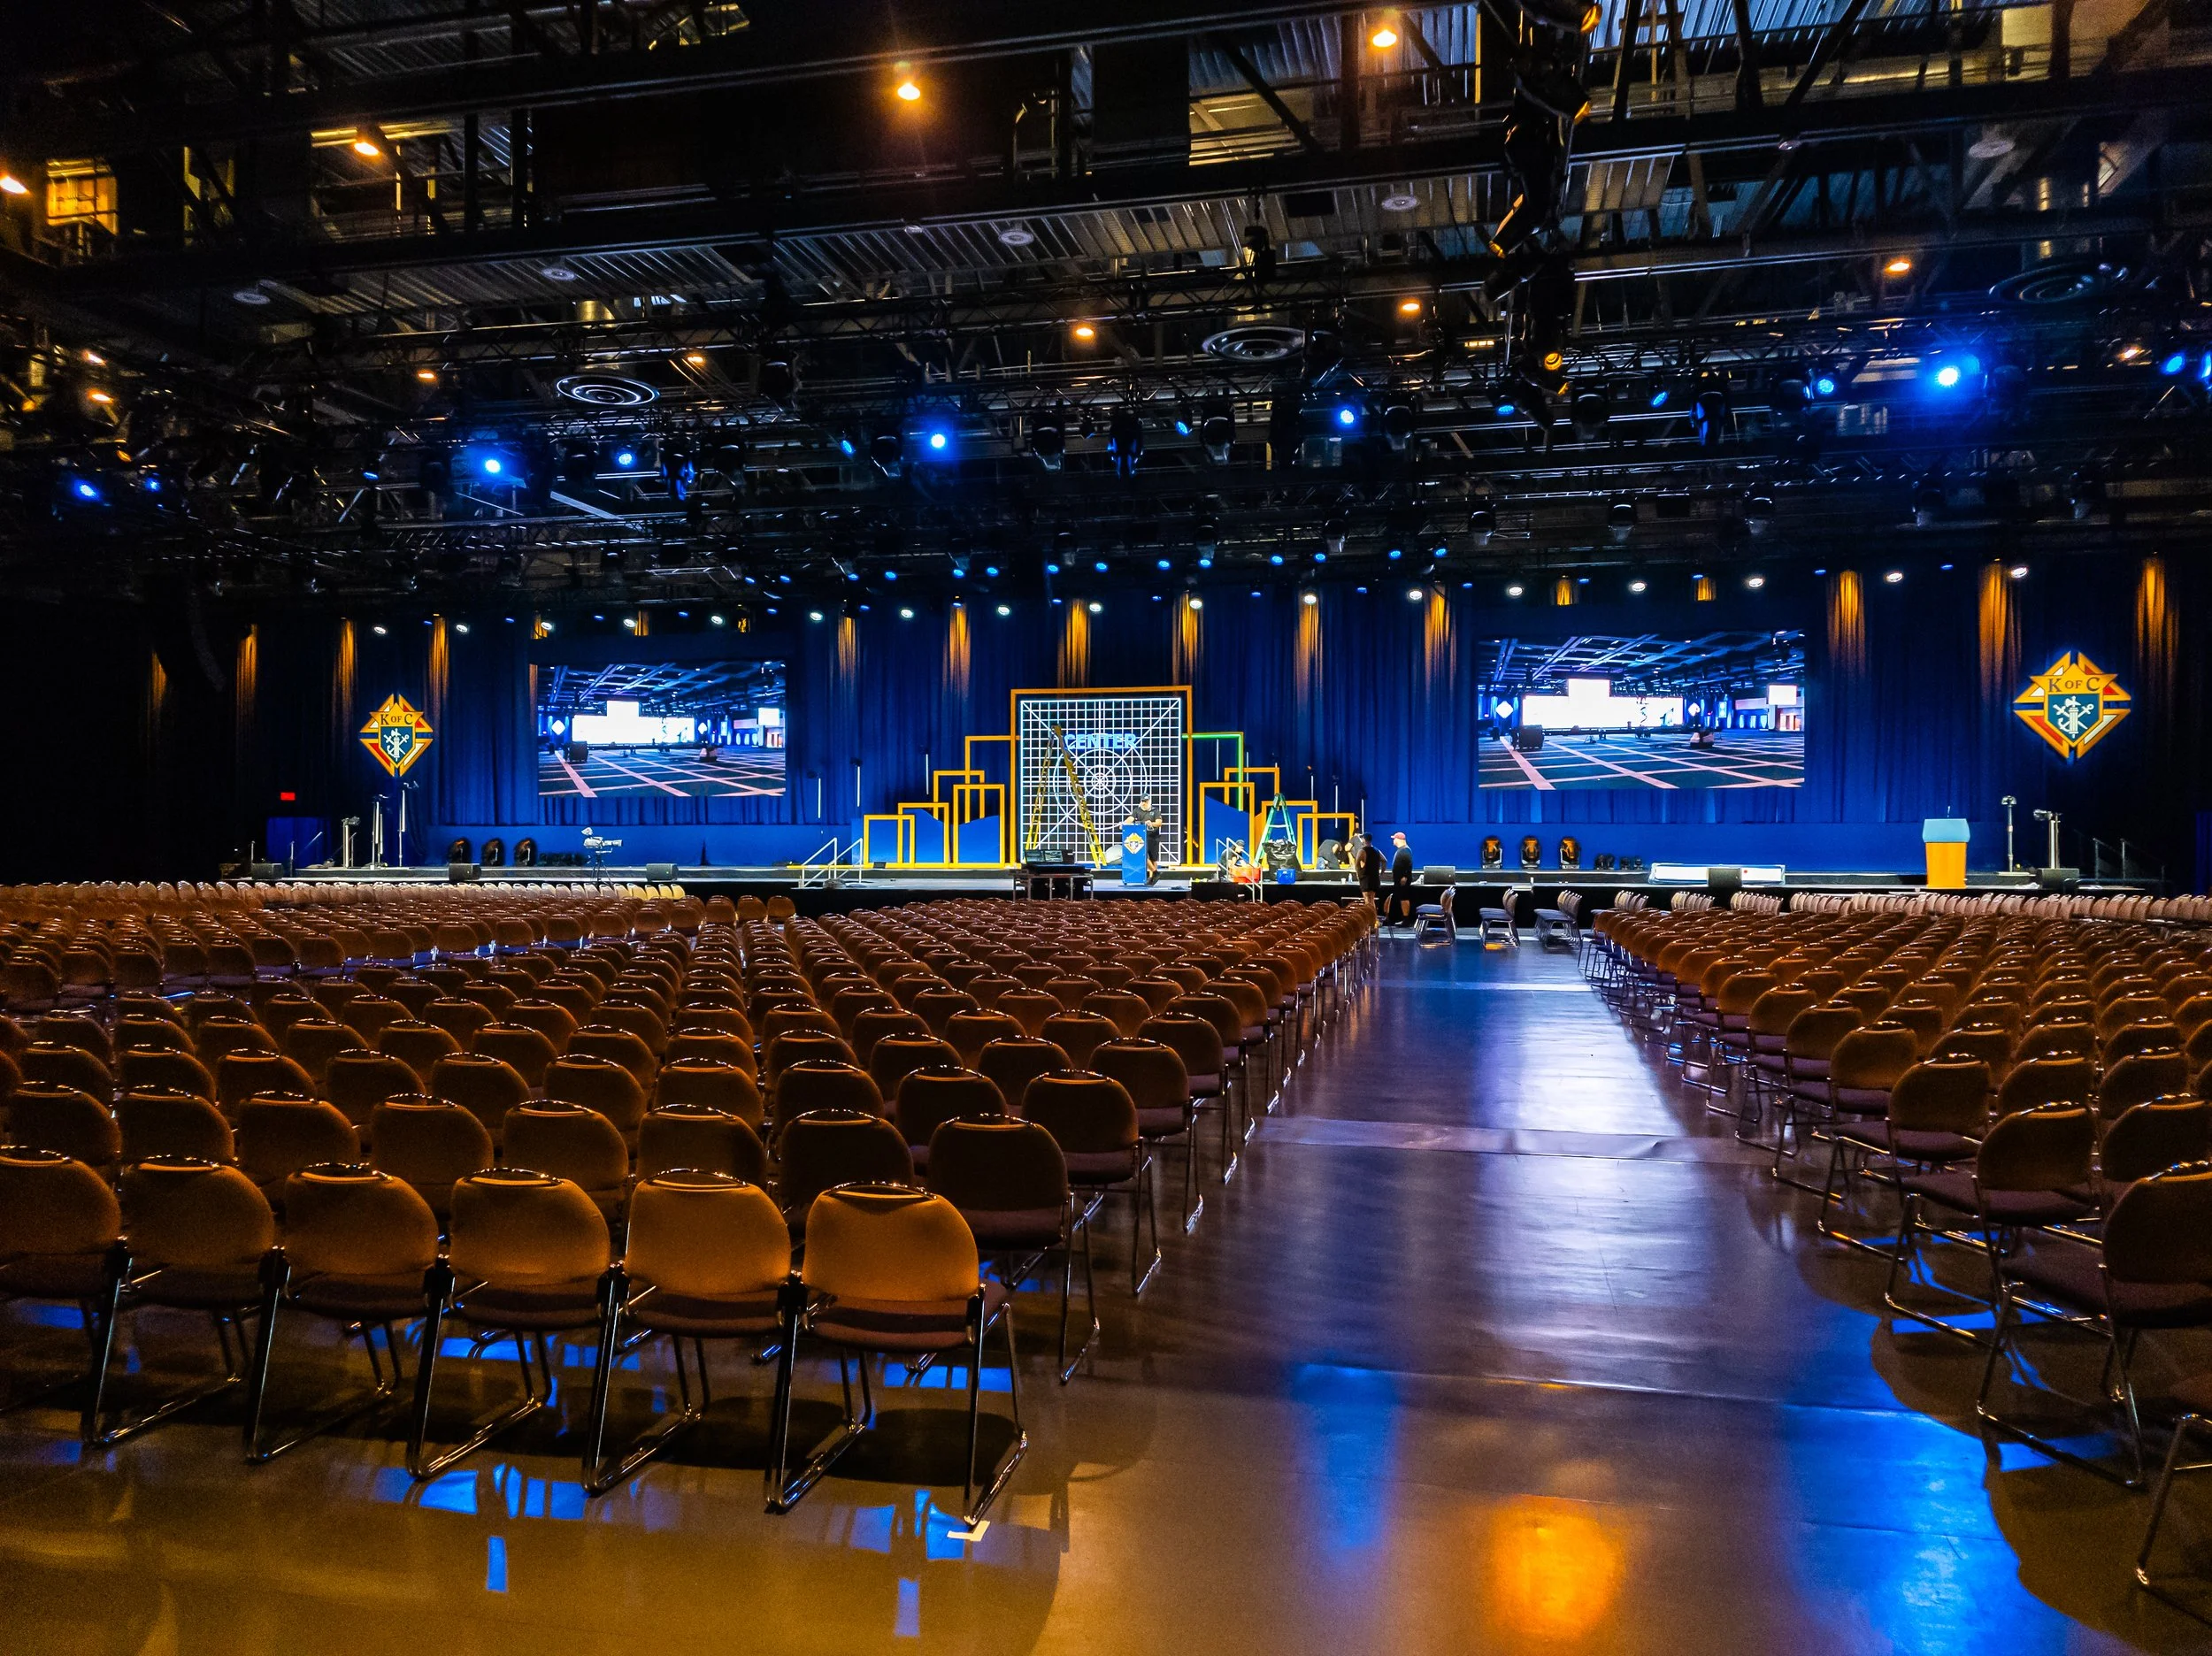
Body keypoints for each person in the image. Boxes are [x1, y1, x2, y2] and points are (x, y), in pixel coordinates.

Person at [1384, 832, 1417, 929]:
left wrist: (1405, 876)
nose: (1393, 841)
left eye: (1394, 839)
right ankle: (1398, 918)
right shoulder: (1402, 850)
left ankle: (1406, 920)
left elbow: (1408, 865)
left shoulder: (1405, 851)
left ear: (1399, 839)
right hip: (1399, 881)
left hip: (1403, 881)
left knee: (1404, 898)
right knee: (1401, 898)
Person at [1131, 795, 1164, 880]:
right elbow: (1130, 818)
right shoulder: (1137, 810)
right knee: (1142, 855)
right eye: (1143, 801)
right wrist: (1123, 824)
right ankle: (1155, 872)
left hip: (1153, 837)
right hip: (1140, 837)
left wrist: (1151, 823)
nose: (1144, 803)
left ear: (1149, 801)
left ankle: (1152, 877)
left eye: (1146, 801)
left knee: (1153, 858)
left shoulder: (1155, 811)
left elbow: (1159, 823)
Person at [1355, 832, 1384, 909]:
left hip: (1366, 879)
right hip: (1375, 878)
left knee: (1367, 900)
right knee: (1371, 900)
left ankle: (1371, 919)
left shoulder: (1362, 850)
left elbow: (1357, 864)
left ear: (1364, 840)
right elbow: (1384, 861)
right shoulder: (1377, 850)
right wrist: (1382, 873)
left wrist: (1358, 874)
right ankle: (1374, 918)